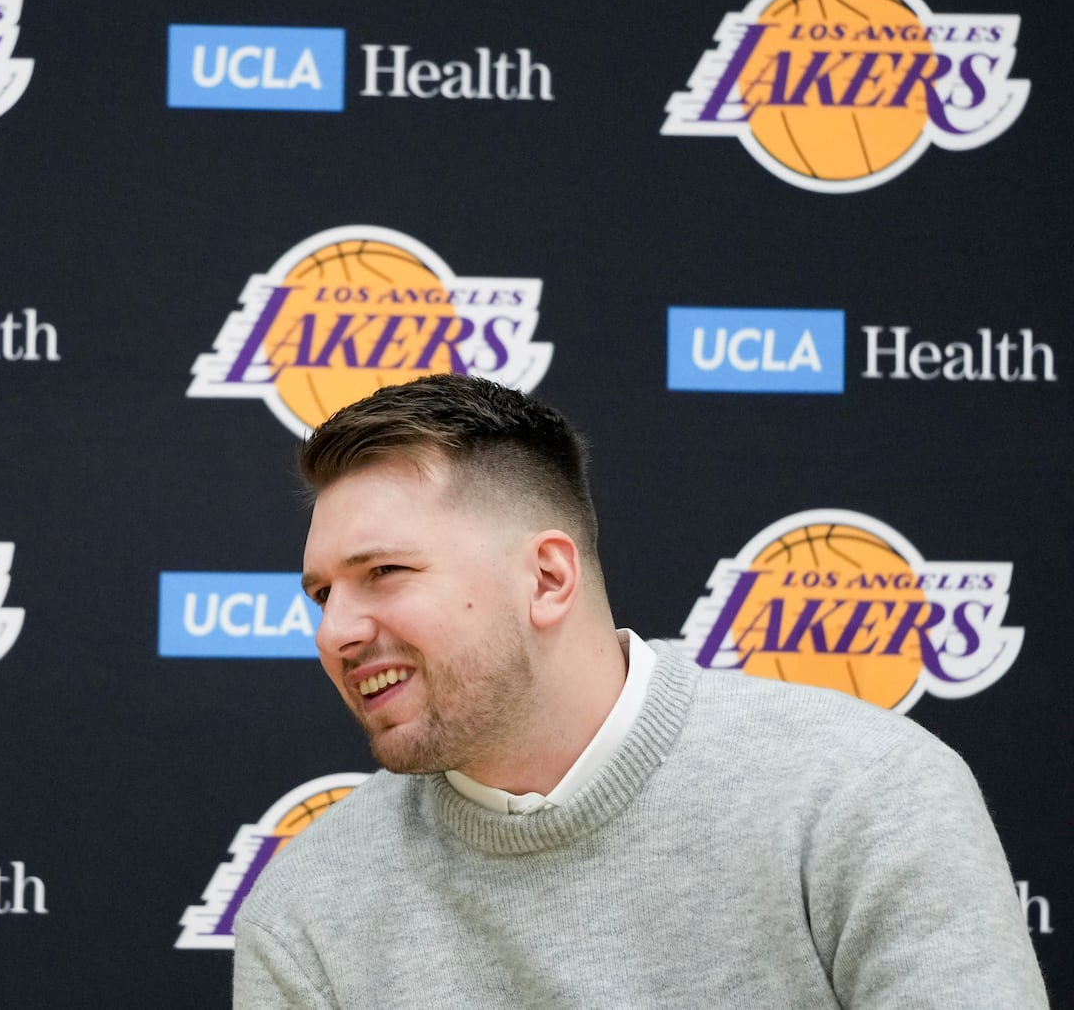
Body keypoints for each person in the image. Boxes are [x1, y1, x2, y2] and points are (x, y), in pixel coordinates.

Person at [232, 373, 1047, 1009]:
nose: (336, 630)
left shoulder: (864, 794)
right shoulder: (309, 904)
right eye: (322, 594)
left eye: (384, 572)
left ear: (548, 577)